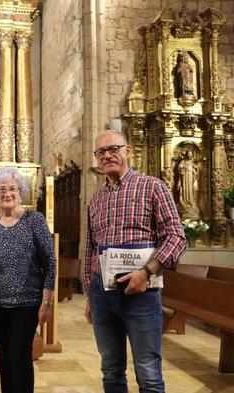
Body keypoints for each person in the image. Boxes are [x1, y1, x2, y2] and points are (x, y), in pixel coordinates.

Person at [84, 130, 187, 392]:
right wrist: (89, 295)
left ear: (127, 151)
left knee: (148, 371)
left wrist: (146, 272)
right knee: (111, 369)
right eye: (101, 152)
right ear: (97, 158)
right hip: (103, 296)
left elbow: (176, 236)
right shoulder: (95, 201)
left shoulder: (153, 187)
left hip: (142, 293)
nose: (108, 155)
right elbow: (91, 250)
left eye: (113, 149)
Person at [0, 167, 56, 393]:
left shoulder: (34, 220)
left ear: (20, 192)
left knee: (20, 355)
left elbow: (50, 262)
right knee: (5, 355)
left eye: (12, 189)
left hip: (26, 302)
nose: (7, 194)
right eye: (1, 189)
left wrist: (47, 302)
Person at [176, 150, 199, 217]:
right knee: (185, 189)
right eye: (189, 154)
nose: (190, 155)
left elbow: (196, 168)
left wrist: (194, 169)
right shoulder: (183, 161)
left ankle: (191, 202)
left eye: (191, 154)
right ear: (186, 154)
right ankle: (185, 202)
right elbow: (179, 168)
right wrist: (183, 168)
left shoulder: (192, 161)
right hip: (185, 177)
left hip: (191, 177)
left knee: (191, 190)